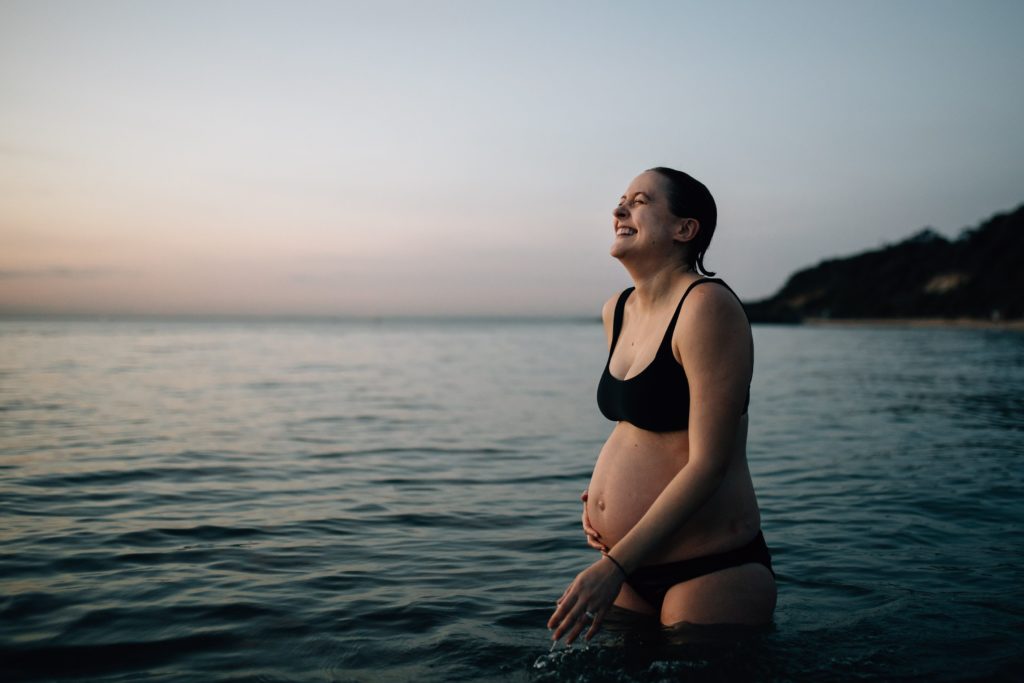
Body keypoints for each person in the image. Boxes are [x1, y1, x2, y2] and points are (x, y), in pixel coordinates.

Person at [547, 167, 776, 646]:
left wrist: (613, 564)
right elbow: (637, 425)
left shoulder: (706, 306)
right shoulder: (618, 308)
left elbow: (708, 463)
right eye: (621, 200)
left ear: (684, 229)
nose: (619, 210)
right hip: (632, 562)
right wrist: (603, 501)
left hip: (709, 570)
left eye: (640, 201)